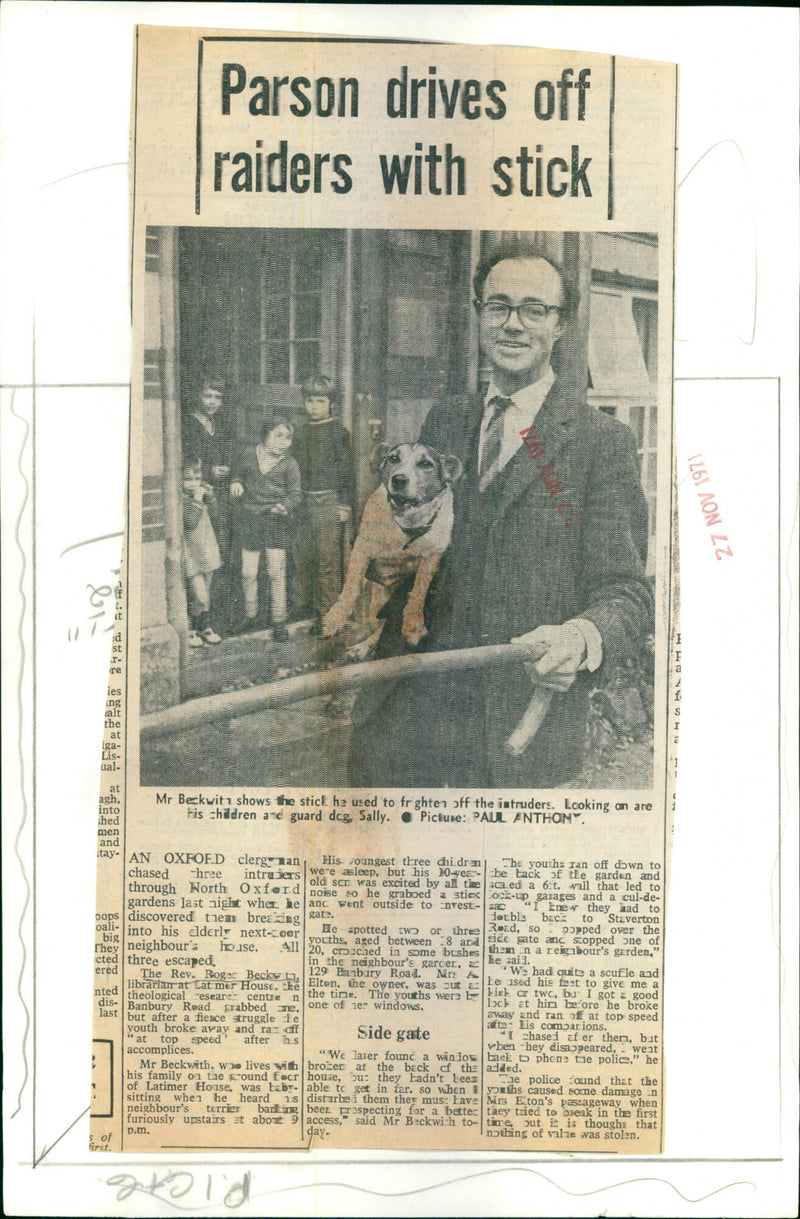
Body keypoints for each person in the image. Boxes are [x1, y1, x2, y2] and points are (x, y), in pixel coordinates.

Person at [348, 250, 653, 788]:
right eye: (499, 307)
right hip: (413, 707)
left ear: (560, 325)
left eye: (534, 310)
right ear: (480, 316)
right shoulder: (448, 416)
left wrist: (580, 637)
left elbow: (627, 594)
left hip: (516, 722)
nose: (513, 324)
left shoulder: (602, 442)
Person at [291, 374, 355, 631]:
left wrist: (344, 505)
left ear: (331, 403)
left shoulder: (338, 432)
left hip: (328, 502)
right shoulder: (300, 432)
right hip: (303, 502)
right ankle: (301, 606)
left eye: (320, 400)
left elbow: (347, 472)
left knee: (327, 561)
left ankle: (327, 614)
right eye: (309, 400)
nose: (314, 406)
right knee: (302, 555)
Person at [230, 414, 302, 642]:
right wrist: (236, 483)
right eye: (278, 435)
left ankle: (279, 620)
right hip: (251, 519)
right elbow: (237, 475)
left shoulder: (289, 464)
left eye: (288, 438)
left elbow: (296, 494)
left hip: (275, 521)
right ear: (265, 435)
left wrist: (284, 506)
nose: (284, 442)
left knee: (275, 571)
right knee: (248, 572)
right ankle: (251, 615)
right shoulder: (249, 454)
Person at [181, 375, 232, 631]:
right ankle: (195, 616)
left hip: (214, 492)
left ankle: (209, 612)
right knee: (197, 553)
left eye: (218, 397)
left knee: (214, 550)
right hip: (194, 492)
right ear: (197, 396)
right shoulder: (189, 423)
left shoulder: (215, 423)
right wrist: (211, 471)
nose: (212, 402)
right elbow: (188, 462)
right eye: (207, 396)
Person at [181, 458, 221, 646]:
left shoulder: (201, 494)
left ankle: (203, 627)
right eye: (188, 479)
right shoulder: (181, 499)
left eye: (197, 478)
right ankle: (190, 629)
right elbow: (189, 523)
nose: (194, 483)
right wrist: (197, 499)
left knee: (207, 590)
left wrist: (210, 496)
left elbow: (215, 514)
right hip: (192, 552)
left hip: (206, 548)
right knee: (199, 594)